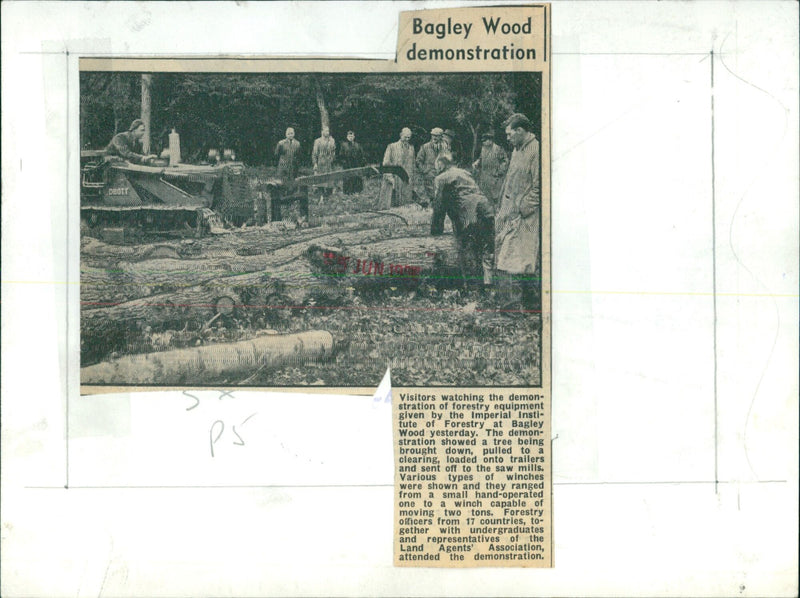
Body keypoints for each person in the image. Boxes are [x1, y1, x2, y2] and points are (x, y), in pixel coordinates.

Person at [495, 113, 540, 312]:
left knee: (517, 259)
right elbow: (510, 180)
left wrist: (523, 209)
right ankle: (526, 305)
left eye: (509, 134)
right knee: (513, 258)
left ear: (520, 131)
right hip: (510, 212)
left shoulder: (537, 150)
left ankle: (515, 307)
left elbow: (540, 187)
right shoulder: (516, 150)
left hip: (526, 216)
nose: (507, 138)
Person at [431, 153, 495, 292]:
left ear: (441, 165)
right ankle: (488, 285)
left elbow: (439, 207)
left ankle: (473, 290)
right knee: (486, 248)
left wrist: (435, 231)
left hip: (469, 215)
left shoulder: (441, 178)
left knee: (467, 250)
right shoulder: (465, 172)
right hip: (486, 210)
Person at [378, 127, 415, 209]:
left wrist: (412, 178)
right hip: (395, 177)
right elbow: (386, 163)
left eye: (409, 137)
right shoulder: (392, 146)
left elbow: (413, 165)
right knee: (392, 203)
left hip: (407, 178)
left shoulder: (411, 148)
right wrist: (389, 176)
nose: (407, 139)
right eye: (405, 137)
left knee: (405, 204)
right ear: (400, 135)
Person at [471, 131, 508, 206]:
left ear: (490, 141)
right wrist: (477, 163)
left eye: (485, 141)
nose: (484, 143)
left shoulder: (498, 149)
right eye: (483, 141)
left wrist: (500, 171)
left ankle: (497, 213)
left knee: (496, 197)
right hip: (484, 177)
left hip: (495, 177)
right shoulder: (483, 149)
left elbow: (505, 160)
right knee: (485, 197)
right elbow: (481, 158)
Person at [415, 127, 445, 206]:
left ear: (441, 137)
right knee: (429, 192)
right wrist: (424, 170)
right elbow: (418, 160)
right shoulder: (425, 147)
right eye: (433, 135)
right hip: (429, 174)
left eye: (437, 136)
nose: (434, 137)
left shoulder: (445, 147)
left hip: (441, 173)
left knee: (440, 192)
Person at [312, 126, 336, 201]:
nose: (327, 133)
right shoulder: (318, 141)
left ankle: (327, 197)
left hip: (329, 163)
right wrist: (315, 163)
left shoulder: (331, 141)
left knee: (330, 181)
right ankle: (320, 197)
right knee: (320, 181)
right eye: (326, 131)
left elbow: (333, 152)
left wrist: (331, 159)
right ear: (322, 132)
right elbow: (314, 153)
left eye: (328, 131)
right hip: (321, 163)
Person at [338, 130, 366, 194]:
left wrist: (362, 163)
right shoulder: (344, 145)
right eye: (349, 136)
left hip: (356, 164)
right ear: (347, 137)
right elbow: (341, 156)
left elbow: (361, 155)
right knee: (348, 178)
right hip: (347, 165)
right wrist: (344, 163)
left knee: (356, 178)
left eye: (352, 136)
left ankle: (357, 191)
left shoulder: (357, 145)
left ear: (354, 137)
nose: (350, 137)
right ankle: (348, 192)